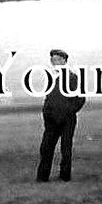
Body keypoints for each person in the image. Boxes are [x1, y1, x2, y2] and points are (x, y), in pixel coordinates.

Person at [36, 49, 86, 182]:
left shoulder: (72, 77)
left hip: (67, 118)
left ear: (64, 60)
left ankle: (65, 176)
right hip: (51, 118)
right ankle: (42, 176)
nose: (55, 62)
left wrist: (70, 110)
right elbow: (49, 97)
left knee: (66, 147)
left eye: (58, 59)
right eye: (53, 59)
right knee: (46, 147)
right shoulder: (52, 77)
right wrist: (47, 111)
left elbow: (80, 98)